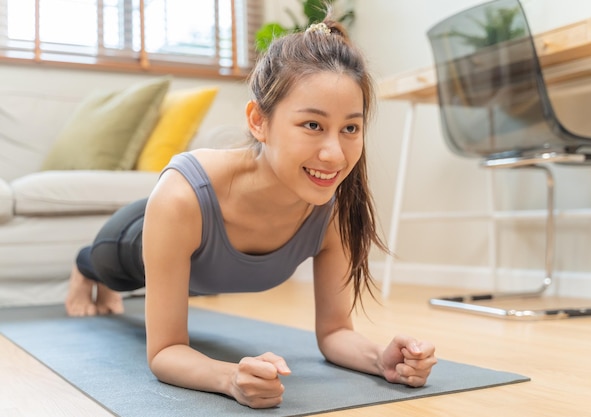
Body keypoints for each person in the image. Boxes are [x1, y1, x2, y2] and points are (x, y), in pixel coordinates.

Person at [64, 14, 437, 409]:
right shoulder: (180, 198)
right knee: (104, 266)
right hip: (133, 239)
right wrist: (229, 378)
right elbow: (165, 351)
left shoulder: (332, 209)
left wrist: (381, 360)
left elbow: (335, 332)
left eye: (350, 129)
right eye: (312, 124)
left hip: (197, 269)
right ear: (259, 121)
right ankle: (81, 266)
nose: (334, 154)